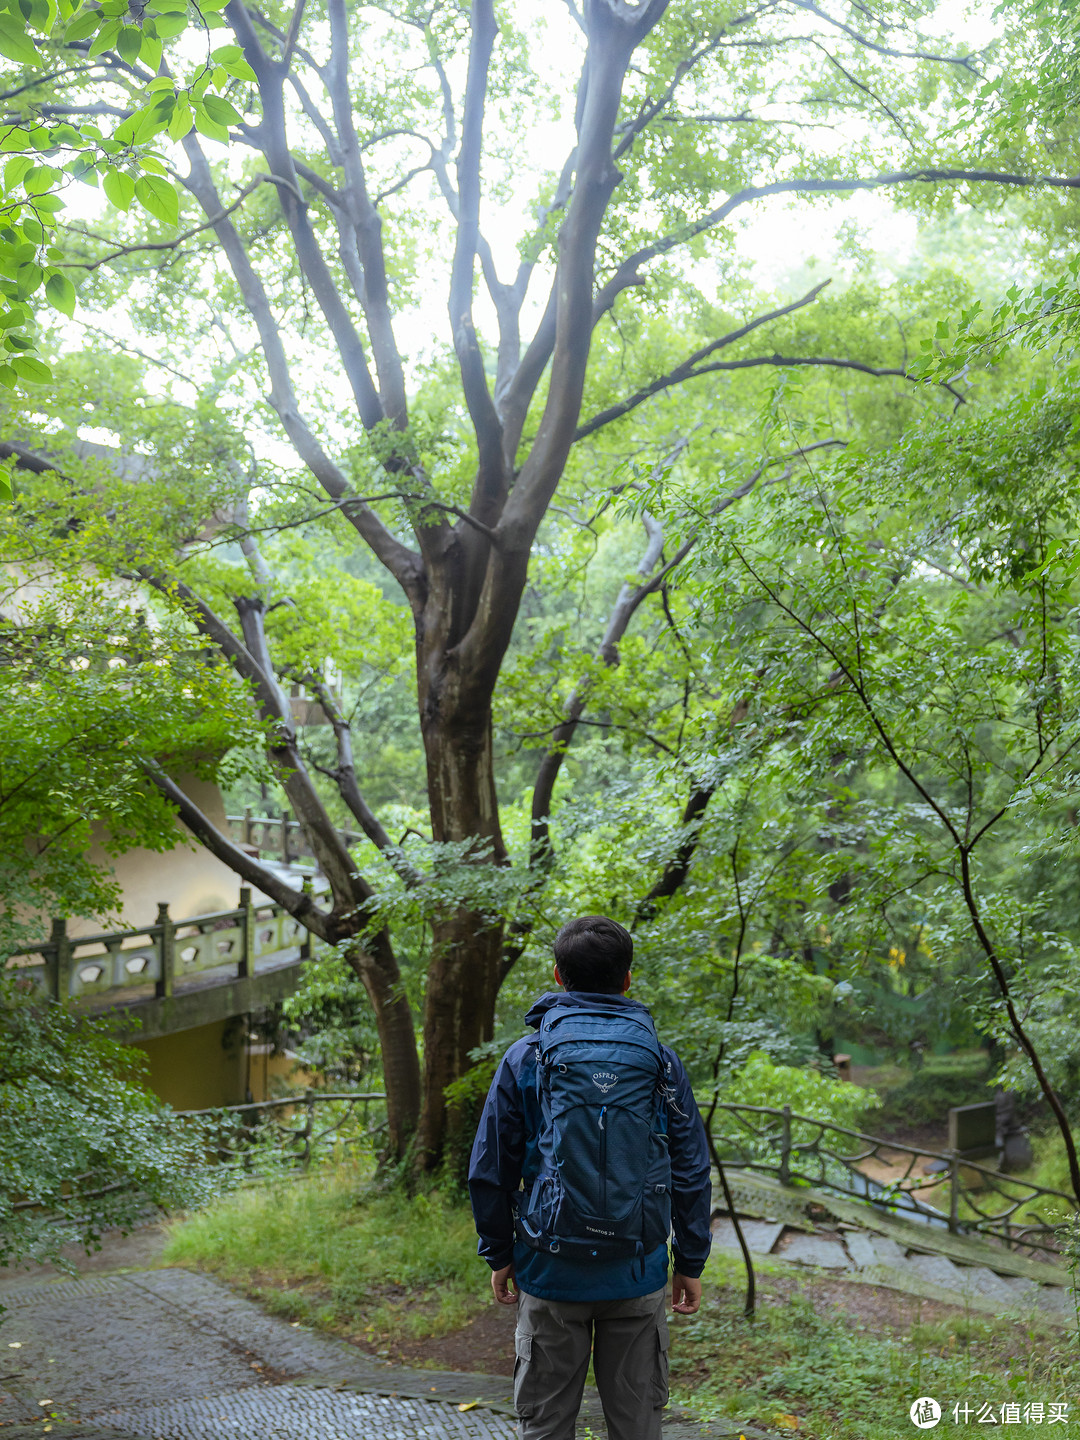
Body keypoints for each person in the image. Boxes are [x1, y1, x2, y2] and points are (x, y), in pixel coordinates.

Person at [468, 915, 712, 1440]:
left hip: (549, 1267)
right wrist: (690, 1259)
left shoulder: (526, 1058)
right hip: (637, 1270)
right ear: (628, 979)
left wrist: (500, 1253)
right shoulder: (659, 1062)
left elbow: (490, 1169)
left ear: (557, 976)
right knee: (636, 1425)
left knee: (547, 1424)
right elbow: (691, 1165)